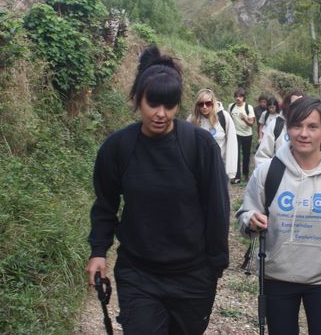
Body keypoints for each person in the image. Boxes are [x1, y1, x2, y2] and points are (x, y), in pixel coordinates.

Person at [86, 46, 230, 335]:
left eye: (170, 105)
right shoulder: (118, 148)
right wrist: (99, 250)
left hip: (193, 275)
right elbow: (105, 203)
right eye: (153, 104)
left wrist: (215, 266)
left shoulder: (200, 146)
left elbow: (218, 208)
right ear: (138, 99)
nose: (161, 114)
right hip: (139, 273)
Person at [237, 96, 321, 334]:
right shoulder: (268, 172)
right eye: (297, 125)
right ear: (288, 128)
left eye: (312, 127)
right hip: (277, 276)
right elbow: (244, 215)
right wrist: (250, 219)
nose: (303, 133)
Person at [188, 88, 238, 180]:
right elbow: (187, 144)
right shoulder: (192, 119)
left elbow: (232, 143)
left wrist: (230, 171)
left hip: (219, 168)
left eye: (208, 103)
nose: (204, 107)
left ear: (213, 103)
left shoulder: (223, 117)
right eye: (201, 104)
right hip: (199, 169)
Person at [254, 89, 303, 167]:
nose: (297, 109)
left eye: (301, 105)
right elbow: (262, 156)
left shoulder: (309, 125)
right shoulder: (277, 124)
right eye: (293, 105)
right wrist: (272, 174)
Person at [229, 87, 255, 184]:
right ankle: (236, 177)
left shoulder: (249, 107)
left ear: (244, 98)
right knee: (236, 154)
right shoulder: (231, 106)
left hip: (247, 135)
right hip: (235, 134)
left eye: (240, 96)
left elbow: (252, 123)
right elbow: (229, 120)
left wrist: (245, 119)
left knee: (246, 155)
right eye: (236, 96)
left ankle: (246, 174)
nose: (238, 98)